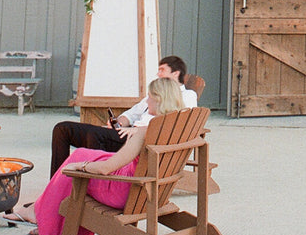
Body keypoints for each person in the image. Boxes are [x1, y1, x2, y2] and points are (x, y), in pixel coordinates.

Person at [18, 76, 185, 235]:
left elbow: (105, 169)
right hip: (150, 188)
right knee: (82, 152)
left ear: (159, 100)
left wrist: (81, 166)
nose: (147, 101)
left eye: (149, 97)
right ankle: (39, 209)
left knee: (73, 167)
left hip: (126, 190)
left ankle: (42, 216)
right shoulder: (177, 128)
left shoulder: (145, 132)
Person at [48, 55, 197, 177]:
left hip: (140, 141)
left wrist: (140, 131)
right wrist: (119, 121)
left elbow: (178, 124)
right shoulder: (154, 93)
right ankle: (55, 182)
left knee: (94, 137)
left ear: (176, 73)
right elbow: (132, 113)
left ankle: (91, 180)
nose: (158, 73)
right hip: (126, 133)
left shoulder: (188, 96)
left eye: (162, 70)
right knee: (62, 129)